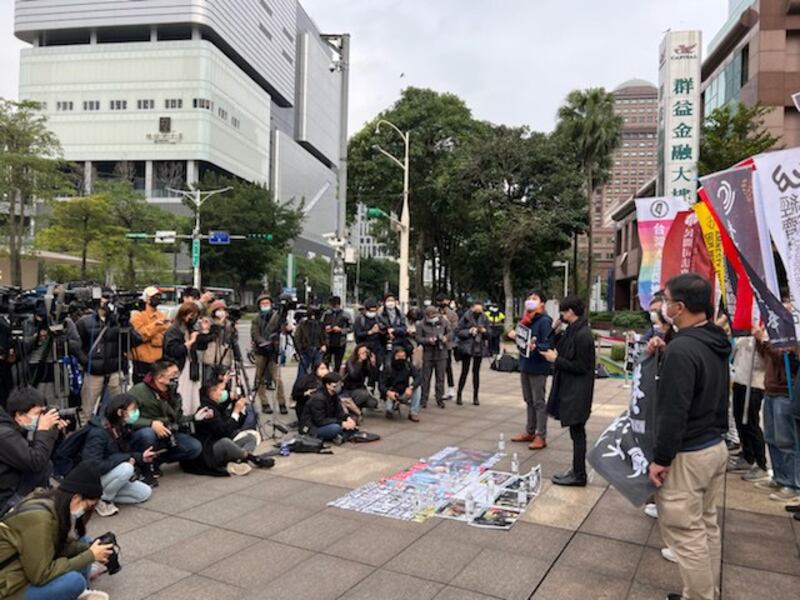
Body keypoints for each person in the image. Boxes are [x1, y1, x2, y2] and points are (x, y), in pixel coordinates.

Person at [646, 274, 731, 600]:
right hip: (713, 445)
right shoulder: (712, 340)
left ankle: (700, 596)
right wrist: (666, 348)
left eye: (666, 300)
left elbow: (673, 411)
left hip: (689, 454)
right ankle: (706, 591)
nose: (662, 306)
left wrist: (661, 459)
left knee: (686, 532)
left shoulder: (684, 349)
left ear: (678, 307)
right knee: (706, 525)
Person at [0, 460, 113, 600]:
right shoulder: (39, 519)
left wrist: (89, 549)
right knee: (74, 582)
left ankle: (79, 592)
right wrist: (89, 556)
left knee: (86, 542)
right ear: (76, 498)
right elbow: (40, 575)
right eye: (89, 506)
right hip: (8, 588)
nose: (86, 511)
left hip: (22, 571)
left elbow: (56, 548)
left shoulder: (51, 503)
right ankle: (77, 591)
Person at [541, 295, 595, 487]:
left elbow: (582, 366)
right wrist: (554, 330)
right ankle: (577, 470)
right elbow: (559, 347)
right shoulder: (573, 329)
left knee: (578, 432)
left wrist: (556, 361)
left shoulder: (583, 334)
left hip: (578, 391)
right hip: (570, 388)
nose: (561, 315)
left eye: (563, 312)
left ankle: (579, 474)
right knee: (576, 432)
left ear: (571, 312)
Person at [753, 301, 800, 504]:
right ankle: (779, 477)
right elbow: (766, 356)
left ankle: (792, 482)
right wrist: (761, 341)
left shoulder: (792, 336)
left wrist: (764, 341)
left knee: (786, 440)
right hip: (771, 389)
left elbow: (784, 358)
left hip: (784, 392)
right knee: (771, 437)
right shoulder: (776, 333)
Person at [81, 394, 153, 517]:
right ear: (120, 412)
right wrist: (124, 459)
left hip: (108, 476)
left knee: (144, 493)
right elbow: (92, 466)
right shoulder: (98, 432)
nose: (136, 413)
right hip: (93, 479)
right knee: (126, 468)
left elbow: (119, 454)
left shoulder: (119, 427)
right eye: (133, 410)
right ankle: (104, 500)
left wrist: (140, 457)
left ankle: (98, 498)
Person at [128, 360, 204, 475]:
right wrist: (151, 423)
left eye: (177, 373)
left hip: (167, 433)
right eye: (173, 374)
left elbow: (177, 418)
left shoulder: (173, 393)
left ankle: (156, 461)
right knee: (147, 434)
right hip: (144, 433)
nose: (176, 377)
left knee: (194, 447)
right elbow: (126, 419)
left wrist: (194, 418)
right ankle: (143, 464)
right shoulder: (139, 391)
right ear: (160, 378)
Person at [0, 388, 67, 517]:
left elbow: (47, 456)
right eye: (38, 413)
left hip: (16, 487)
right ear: (19, 415)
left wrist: (54, 433)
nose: (42, 417)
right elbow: (36, 461)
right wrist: (43, 432)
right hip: (6, 500)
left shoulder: (15, 428)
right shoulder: (5, 435)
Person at [188, 379, 274, 477]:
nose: (223, 393)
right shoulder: (207, 409)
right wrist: (236, 411)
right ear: (212, 393)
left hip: (221, 443)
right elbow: (223, 431)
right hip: (209, 449)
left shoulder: (216, 406)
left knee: (251, 437)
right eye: (220, 390)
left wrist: (239, 409)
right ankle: (252, 458)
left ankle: (240, 461)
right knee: (225, 443)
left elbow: (233, 426)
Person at [75, 293, 140, 419]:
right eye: (104, 297)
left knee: (122, 410)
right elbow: (75, 346)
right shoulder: (84, 322)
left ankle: (119, 434)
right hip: (93, 374)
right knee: (86, 411)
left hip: (116, 371)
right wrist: (87, 362)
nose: (107, 301)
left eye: (109, 298)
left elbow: (135, 341)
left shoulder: (118, 320)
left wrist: (125, 324)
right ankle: (84, 435)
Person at [510, 291, 553, 450]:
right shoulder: (526, 320)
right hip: (525, 364)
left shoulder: (544, 321)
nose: (530, 301)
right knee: (529, 400)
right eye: (529, 298)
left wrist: (536, 347)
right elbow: (522, 339)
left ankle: (541, 435)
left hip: (538, 366)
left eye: (534, 299)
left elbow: (548, 343)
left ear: (542, 304)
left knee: (539, 402)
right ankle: (530, 431)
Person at [728, 336, 769, 482]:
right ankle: (747, 456)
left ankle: (761, 462)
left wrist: (759, 339)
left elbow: (766, 357)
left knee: (751, 423)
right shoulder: (743, 335)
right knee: (740, 421)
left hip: (755, 384)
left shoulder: (763, 334)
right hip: (740, 380)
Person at [163, 302, 210, 415]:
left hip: (191, 368)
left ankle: (192, 418)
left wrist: (204, 332)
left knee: (193, 398)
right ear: (183, 315)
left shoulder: (190, 329)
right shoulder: (173, 330)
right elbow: (173, 351)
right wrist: (190, 342)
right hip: (180, 369)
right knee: (182, 398)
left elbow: (202, 347)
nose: (193, 319)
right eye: (191, 316)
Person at [251, 294, 288, 415]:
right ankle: (264, 403)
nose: (265, 305)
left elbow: (282, 327)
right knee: (259, 378)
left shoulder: (276, 316)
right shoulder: (256, 319)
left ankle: (282, 403)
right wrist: (263, 343)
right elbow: (255, 334)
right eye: (263, 303)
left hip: (273, 350)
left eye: (267, 303)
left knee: (277, 378)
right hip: (260, 351)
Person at [300, 373, 357, 443]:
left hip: (328, 421)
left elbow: (340, 413)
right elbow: (320, 421)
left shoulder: (334, 395)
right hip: (312, 427)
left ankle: (340, 436)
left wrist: (348, 418)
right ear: (328, 385)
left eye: (340, 384)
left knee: (353, 419)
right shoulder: (318, 398)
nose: (339, 386)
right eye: (336, 385)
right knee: (336, 428)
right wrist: (341, 423)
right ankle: (342, 435)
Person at [129, 286, 170, 384]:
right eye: (155, 296)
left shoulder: (162, 315)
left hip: (158, 361)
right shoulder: (138, 316)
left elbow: (165, 336)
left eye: (159, 296)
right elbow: (140, 336)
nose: (158, 298)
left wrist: (152, 338)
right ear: (146, 298)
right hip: (141, 363)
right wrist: (156, 326)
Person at [455, 300, 490, 406]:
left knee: (476, 373)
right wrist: (469, 331)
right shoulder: (465, 317)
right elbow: (458, 331)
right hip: (467, 347)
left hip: (478, 346)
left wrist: (484, 331)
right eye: (476, 309)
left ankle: (475, 396)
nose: (478, 311)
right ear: (472, 308)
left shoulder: (484, 317)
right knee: (464, 372)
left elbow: (490, 333)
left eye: (480, 310)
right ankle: (459, 395)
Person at [416, 305, 451, 409]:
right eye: (432, 316)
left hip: (441, 353)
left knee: (440, 377)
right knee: (426, 378)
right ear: (427, 315)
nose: (434, 317)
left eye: (435, 315)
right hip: (428, 353)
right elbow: (418, 338)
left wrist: (446, 338)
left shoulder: (443, 322)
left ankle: (439, 398)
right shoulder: (421, 324)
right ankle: (423, 399)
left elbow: (451, 332)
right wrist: (428, 340)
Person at [380, 346, 422, 422]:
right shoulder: (387, 367)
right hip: (392, 392)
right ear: (394, 356)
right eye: (398, 356)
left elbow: (418, 377)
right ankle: (391, 408)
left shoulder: (408, 365)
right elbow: (381, 384)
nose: (401, 359)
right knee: (389, 409)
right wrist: (388, 392)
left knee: (417, 388)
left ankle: (413, 413)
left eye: (403, 356)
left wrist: (411, 387)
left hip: (404, 391)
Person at [202, 300, 241, 377]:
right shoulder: (208, 322)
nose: (221, 312)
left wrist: (233, 329)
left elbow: (232, 340)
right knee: (209, 384)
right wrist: (218, 324)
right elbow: (206, 338)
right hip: (210, 358)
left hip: (225, 358)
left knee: (224, 383)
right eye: (219, 310)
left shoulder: (229, 325)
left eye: (223, 310)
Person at [294, 304, 328, 381]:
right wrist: (300, 350)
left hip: (318, 349)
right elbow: (297, 337)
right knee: (302, 371)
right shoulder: (303, 324)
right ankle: (300, 387)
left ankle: (317, 386)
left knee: (318, 370)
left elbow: (325, 336)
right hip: (305, 349)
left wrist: (324, 345)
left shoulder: (320, 324)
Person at [341, 344, 380, 411]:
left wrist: (373, 364)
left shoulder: (366, 362)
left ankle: (354, 405)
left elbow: (373, 377)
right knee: (364, 394)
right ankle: (351, 407)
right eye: (362, 352)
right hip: (349, 389)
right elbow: (354, 375)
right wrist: (359, 361)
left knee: (373, 403)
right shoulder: (350, 361)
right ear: (357, 352)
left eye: (365, 352)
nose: (364, 354)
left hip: (360, 388)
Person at [436, 293, 459, 399]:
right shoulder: (434, 312)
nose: (441, 304)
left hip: (447, 344)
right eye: (439, 301)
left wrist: (446, 321)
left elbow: (455, 329)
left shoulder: (452, 314)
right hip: (435, 343)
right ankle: (439, 389)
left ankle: (450, 388)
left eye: (443, 301)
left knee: (447, 366)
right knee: (437, 368)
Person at [322, 297, 351, 373]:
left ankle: (335, 378)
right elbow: (320, 326)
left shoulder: (346, 315)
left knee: (338, 363)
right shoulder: (326, 314)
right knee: (325, 362)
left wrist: (341, 330)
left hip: (340, 342)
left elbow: (351, 327)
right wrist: (325, 328)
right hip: (328, 341)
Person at [353, 298, 385, 365]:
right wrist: (370, 332)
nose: (372, 313)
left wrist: (380, 330)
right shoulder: (360, 319)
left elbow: (384, 330)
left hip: (378, 348)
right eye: (370, 311)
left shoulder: (379, 318)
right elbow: (358, 334)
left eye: (374, 311)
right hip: (364, 346)